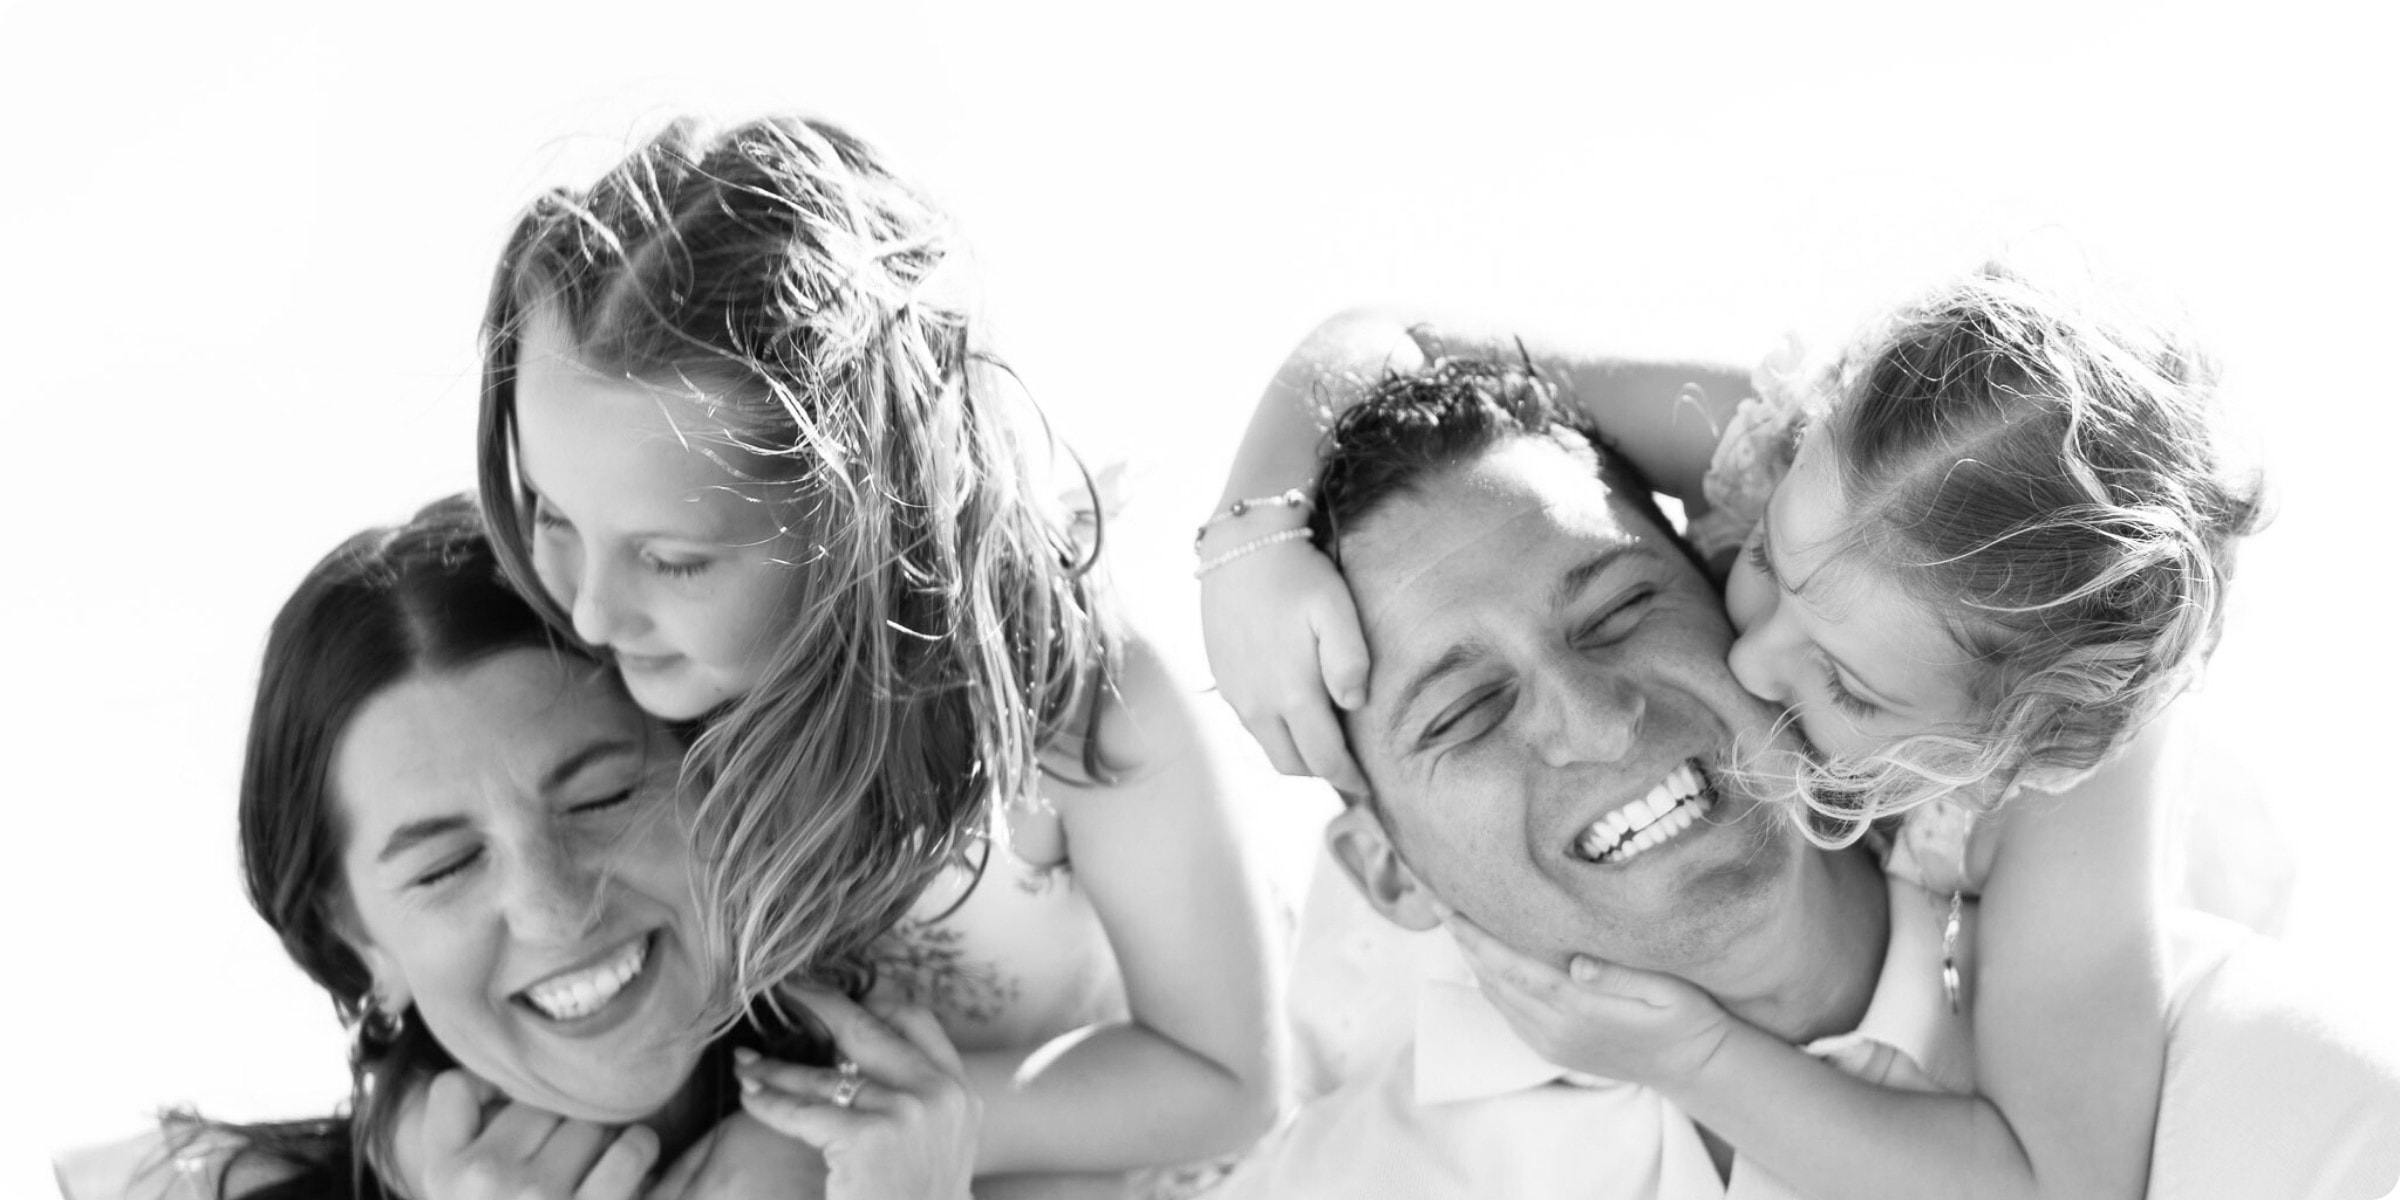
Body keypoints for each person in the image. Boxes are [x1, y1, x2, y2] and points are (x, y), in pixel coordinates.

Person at [1206, 356, 2400, 1199]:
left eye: (1623, 609)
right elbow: (1392, 327)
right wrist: (1246, 529)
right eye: (1465, 711)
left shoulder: (2283, 1108)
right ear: (1382, 870)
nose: (1595, 719)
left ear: (1717, 564)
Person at [473, 115, 1282, 1196]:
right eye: (552, 514)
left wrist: (849, 1133)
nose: (587, 614)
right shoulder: (613, 654)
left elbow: (1228, 1077)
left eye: (671, 561)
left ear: (859, 525)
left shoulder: (1077, 700)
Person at [53, 497, 977, 1200]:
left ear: (716, 786)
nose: (554, 904)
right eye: (445, 866)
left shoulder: (913, 1156)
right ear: (359, 942)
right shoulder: (170, 1183)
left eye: (603, 796)